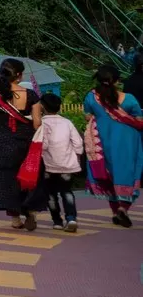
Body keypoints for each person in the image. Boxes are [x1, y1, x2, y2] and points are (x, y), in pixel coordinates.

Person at [0, 60, 44, 229]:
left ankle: (15, 219)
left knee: (6, 179)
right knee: (28, 175)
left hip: (0, 141)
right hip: (25, 140)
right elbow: (37, 123)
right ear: (19, 75)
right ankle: (30, 212)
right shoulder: (31, 95)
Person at [82, 63, 143, 227]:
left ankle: (116, 212)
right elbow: (139, 119)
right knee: (128, 172)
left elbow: (87, 116)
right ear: (117, 81)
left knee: (109, 175)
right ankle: (123, 208)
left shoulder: (91, 97)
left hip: (102, 141)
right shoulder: (129, 99)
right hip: (127, 141)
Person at [38, 88, 85, 233]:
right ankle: (71, 218)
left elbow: (43, 145)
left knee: (51, 194)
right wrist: (77, 156)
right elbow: (78, 143)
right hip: (67, 164)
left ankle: (57, 221)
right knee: (67, 191)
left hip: (48, 165)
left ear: (42, 107)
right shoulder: (67, 122)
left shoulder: (41, 124)